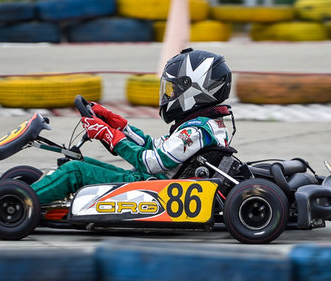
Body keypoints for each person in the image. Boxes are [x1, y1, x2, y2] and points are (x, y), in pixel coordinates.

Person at [29, 48, 234, 205]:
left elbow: (153, 162)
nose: (168, 96)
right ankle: (24, 192)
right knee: (75, 162)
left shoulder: (196, 131)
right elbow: (154, 147)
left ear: (194, 90)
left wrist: (110, 136)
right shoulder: (204, 125)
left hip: (153, 189)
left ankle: (19, 201)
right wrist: (117, 124)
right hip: (154, 181)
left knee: (74, 171)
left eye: (174, 89)